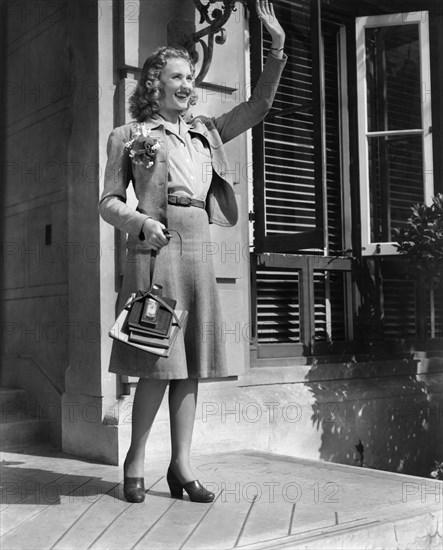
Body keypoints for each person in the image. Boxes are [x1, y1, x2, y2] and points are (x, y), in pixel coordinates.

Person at [99, 0, 286, 503]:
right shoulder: (130, 136)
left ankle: (181, 466)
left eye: (191, 79)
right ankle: (136, 460)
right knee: (157, 364)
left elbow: (258, 108)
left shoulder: (206, 132)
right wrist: (140, 222)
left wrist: (277, 48)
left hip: (198, 244)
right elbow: (109, 202)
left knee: (192, 366)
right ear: (155, 83)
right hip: (157, 252)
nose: (188, 86)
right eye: (178, 77)